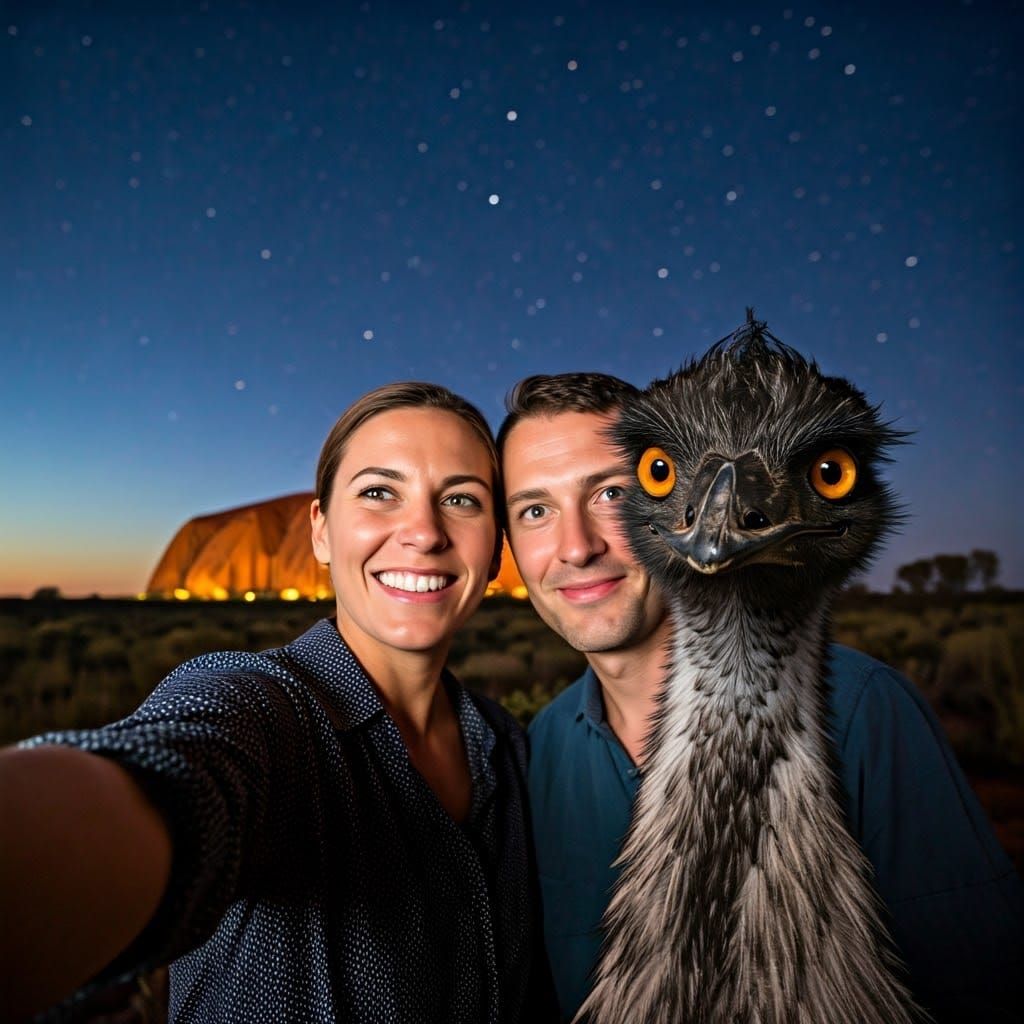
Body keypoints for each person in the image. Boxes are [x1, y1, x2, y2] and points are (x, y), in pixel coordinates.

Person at [0, 382, 556, 1023]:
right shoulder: (262, 713)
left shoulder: (508, 746)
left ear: (496, 547)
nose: (424, 533)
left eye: (461, 500)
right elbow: (173, 775)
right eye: (379, 492)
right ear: (320, 531)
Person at [497, 372, 1024, 1023]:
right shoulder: (541, 747)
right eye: (535, 510)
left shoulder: (863, 710)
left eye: (613, 492)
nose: (577, 547)